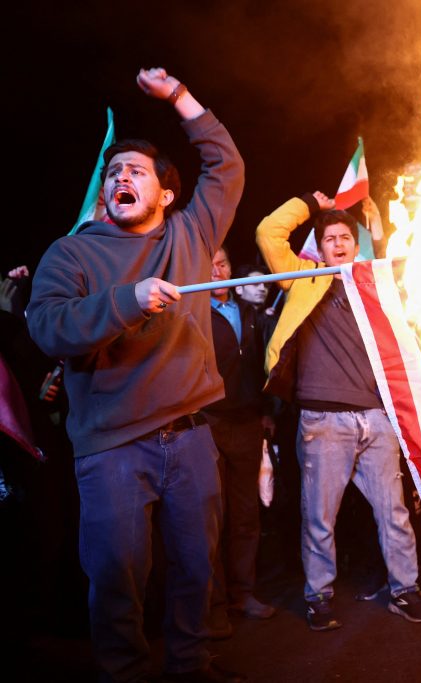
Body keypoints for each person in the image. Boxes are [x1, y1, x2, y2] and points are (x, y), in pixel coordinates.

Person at [26, 69, 244, 683]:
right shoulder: (72, 251)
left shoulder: (191, 234)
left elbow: (225, 166)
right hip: (112, 447)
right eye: (114, 172)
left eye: (137, 172)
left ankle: (191, 666)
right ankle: (123, 673)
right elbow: (48, 326)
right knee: (118, 578)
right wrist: (129, 300)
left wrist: (179, 96)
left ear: (166, 194)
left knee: (197, 569)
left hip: (191, 435)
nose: (122, 177)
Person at [256, 191, 421, 630]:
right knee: (320, 517)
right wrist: (308, 204)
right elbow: (268, 232)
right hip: (323, 421)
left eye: (344, 238)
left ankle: (405, 590)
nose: (337, 244)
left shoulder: (372, 284)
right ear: (319, 247)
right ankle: (318, 597)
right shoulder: (304, 277)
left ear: (356, 246)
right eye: (329, 238)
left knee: (394, 513)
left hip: (376, 417)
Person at [202, 247, 276, 639]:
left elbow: (263, 364)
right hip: (209, 423)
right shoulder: (194, 314)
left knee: (246, 515)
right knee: (212, 517)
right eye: (209, 265)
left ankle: (243, 594)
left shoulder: (249, 313)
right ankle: (214, 606)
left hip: (247, 422)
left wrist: (266, 411)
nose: (217, 270)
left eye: (223, 263)